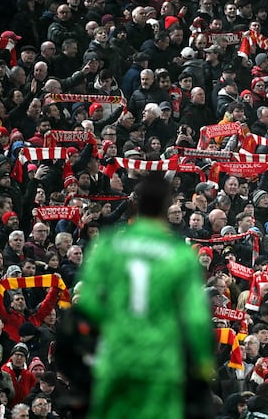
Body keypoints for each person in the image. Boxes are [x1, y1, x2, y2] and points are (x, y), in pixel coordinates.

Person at [76, 175, 214, 418]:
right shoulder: (180, 255)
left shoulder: (108, 247)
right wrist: (202, 366)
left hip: (117, 357)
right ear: (165, 207)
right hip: (161, 361)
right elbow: (196, 318)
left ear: (136, 205)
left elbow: (88, 307)